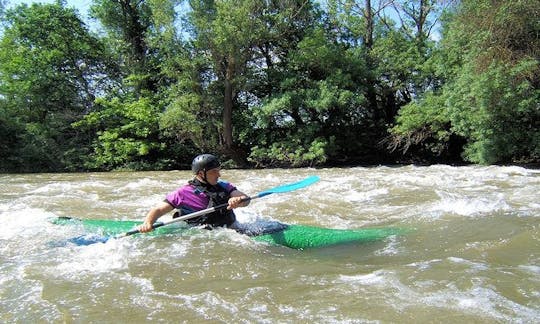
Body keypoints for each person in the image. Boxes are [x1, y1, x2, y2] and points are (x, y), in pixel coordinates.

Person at [138, 154, 250, 233]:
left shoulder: (224, 185)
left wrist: (238, 201)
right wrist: (148, 223)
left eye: (218, 170)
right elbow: (158, 209)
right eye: (214, 172)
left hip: (230, 229)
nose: (218, 175)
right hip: (200, 232)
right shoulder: (183, 193)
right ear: (201, 174)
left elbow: (246, 199)